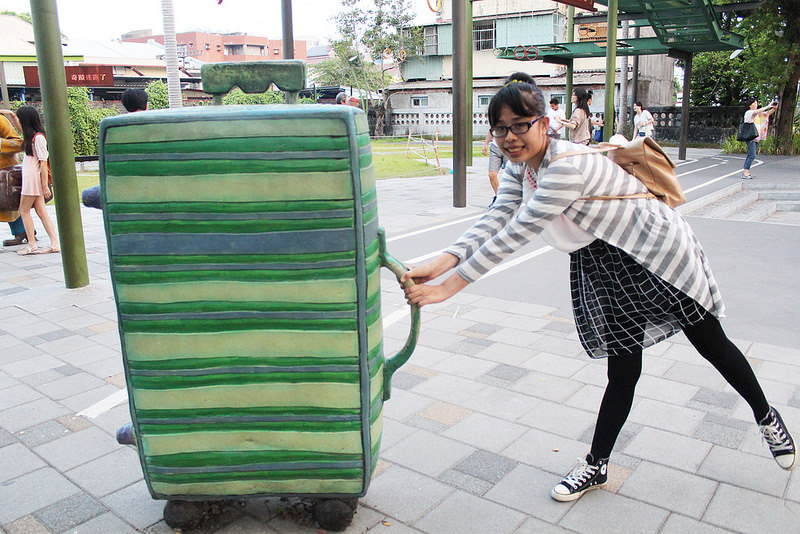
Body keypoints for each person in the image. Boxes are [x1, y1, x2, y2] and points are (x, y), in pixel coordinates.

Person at [400, 72, 796, 503]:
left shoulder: (566, 165)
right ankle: (596, 465)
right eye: (500, 127)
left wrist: (449, 286)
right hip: (604, 262)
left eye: (520, 125)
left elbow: (521, 230)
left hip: (656, 253)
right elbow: (497, 218)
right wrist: (439, 261)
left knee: (710, 344)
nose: (510, 137)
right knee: (623, 368)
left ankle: (766, 416)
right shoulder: (518, 167)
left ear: (545, 123)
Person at [1, 106, 59, 255]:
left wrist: (45, 186)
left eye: (20, 119)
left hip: (33, 178)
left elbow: (43, 163)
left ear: (26, 120)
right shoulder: (31, 135)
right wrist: (12, 116)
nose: (18, 122)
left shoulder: (38, 138)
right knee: (41, 212)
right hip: (31, 177)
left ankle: (32, 244)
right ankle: (54, 243)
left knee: (24, 210)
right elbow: (20, 129)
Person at [82, 88, 149, 209]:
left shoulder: (113, 127)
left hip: (121, 184)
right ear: (146, 105)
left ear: (125, 105)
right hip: (149, 183)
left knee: (87, 195)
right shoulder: (153, 124)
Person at [0, 111, 31, 247]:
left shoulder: (1, 120)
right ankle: (23, 230)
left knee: (9, 203)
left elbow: (19, 143)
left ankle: (23, 231)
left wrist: (1, 144)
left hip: (3, 171)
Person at [741, 98, 777, 179]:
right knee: (752, 155)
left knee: (752, 155)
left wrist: (773, 108)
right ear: (750, 105)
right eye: (754, 103)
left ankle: (746, 171)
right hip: (750, 137)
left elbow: (767, 114)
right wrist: (768, 106)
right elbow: (758, 111)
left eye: (756, 103)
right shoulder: (749, 113)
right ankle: (746, 172)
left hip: (756, 137)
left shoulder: (758, 114)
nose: (756, 104)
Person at [482, 130, 505, 205]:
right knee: (492, 174)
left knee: (511, 176)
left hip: (509, 148)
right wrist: (486, 144)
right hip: (495, 148)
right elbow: (491, 130)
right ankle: (498, 196)